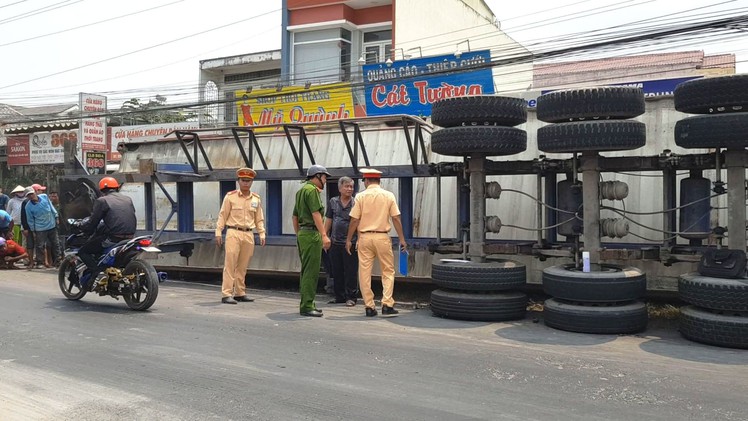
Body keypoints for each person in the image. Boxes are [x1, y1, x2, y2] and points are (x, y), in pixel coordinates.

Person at [345, 168, 407, 317]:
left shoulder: (360, 197)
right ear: (379, 181)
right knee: (387, 271)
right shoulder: (388, 195)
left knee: (364, 272)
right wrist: (402, 239)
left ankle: (369, 306)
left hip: (364, 238)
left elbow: (354, 219)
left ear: (366, 181)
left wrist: (348, 239)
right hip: (382, 237)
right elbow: (396, 218)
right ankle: (387, 303)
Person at [215, 167, 266, 304]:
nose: (246, 183)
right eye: (243, 180)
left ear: (252, 182)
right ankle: (226, 293)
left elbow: (259, 218)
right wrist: (218, 231)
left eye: (248, 181)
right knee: (230, 263)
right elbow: (223, 215)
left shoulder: (255, 199)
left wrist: (261, 233)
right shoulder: (230, 197)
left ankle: (239, 292)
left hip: (248, 233)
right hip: (233, 232)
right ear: (238, 181)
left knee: (243, 265)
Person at [78, 177, 136, 289]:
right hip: (130, 237)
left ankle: (97, 273)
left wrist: (83, 227)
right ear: (116, 188)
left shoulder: (102, 201)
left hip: (114, 238)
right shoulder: (127, 199)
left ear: (101, 190)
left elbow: (93, 222)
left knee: (83, 252)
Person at [292, 164, 332, 317]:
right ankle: (307, 305)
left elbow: (294, 216)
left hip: (303, 234)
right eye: (324, 177)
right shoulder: (312, 191)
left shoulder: (301, 191)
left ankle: (308, 302)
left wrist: (299, 234)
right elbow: (316, 214)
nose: (325, 180)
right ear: (317, 177)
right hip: (312, 235)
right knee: (311, 271)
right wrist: (323, 235)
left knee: (306, 270)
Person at [324, 176, 359, 307]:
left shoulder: (356, 203)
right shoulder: (333, 202)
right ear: (340, 188)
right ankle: (339, 296)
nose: (349, 189)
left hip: (350, 242)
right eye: (347, 186)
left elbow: (358, 222)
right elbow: (329, 219)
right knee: (336, 270)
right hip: (335, 242)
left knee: (350, 271)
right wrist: (325, 236)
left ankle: (351, 297)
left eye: (351, 187)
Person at [24, 186, 61, 269]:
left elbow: (51, 207)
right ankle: (40, 262)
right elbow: (30, 219)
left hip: (51, 224)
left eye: (31, 193)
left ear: (34, 192)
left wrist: (56, 216)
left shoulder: (44, 197)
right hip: (40, 228)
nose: (31, 196)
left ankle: (58, 261)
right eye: (28, 195)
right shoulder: (28, 206)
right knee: (40, 246)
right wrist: (33, 231)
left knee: (56, 244)